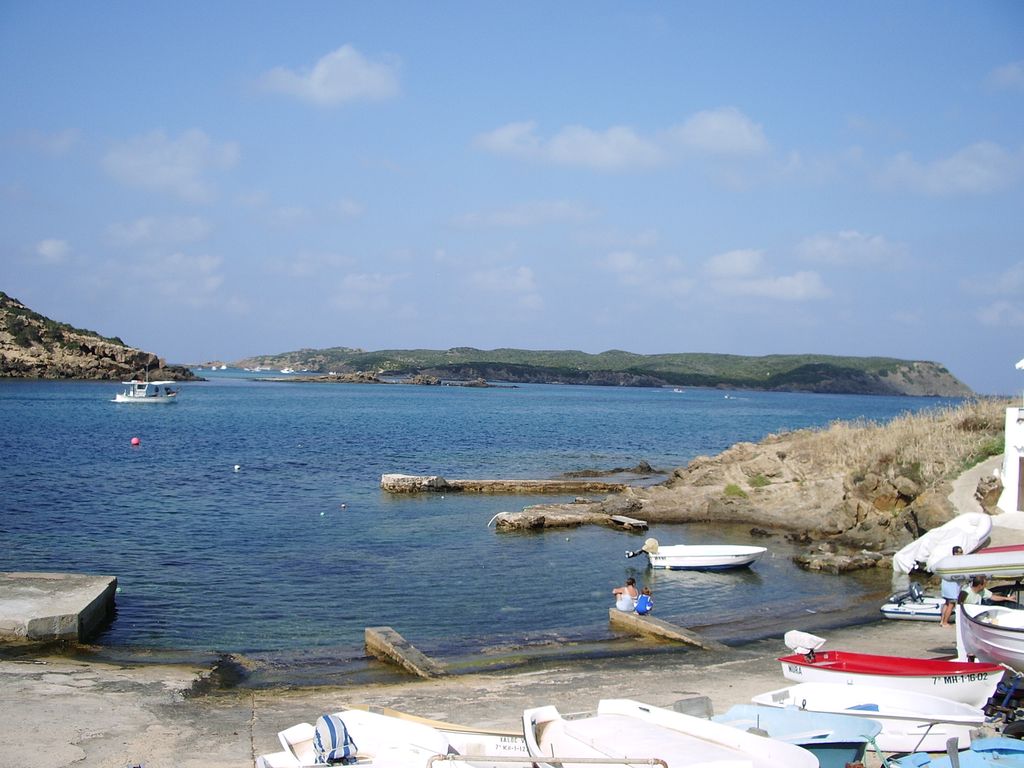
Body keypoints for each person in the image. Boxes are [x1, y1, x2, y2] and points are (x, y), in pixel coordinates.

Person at [939, 546, 964, 627]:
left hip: (945, 585)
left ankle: (942, 621)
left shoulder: (948, 561)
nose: (962, 554)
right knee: (951, 604)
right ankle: (945, 622)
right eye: (960, 552)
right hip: (951, 587)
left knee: (946, 603)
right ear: (955, 553)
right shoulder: (957, 563)